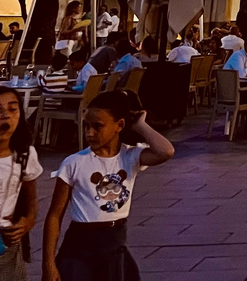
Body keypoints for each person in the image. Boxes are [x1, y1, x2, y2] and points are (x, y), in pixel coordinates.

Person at [42, 89, 174, 281]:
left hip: (114, 244)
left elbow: (166, 151)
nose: (89, 133)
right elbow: (55, 215)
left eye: (97, 126)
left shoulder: (130, 156)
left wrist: (140, 125)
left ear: (119, 125)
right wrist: (48, 263)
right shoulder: (74, 163)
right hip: (79, 247)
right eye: (87, 126)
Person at [0, 85, 41, 281]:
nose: (6, 116)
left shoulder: (24, 155)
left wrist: (28, 221)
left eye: (12, 109)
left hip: (5, 243)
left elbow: (30, 198)